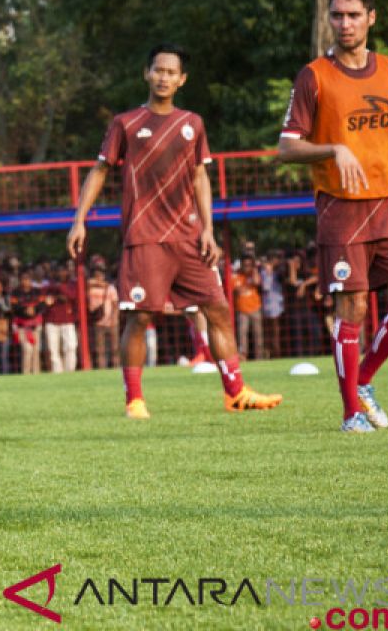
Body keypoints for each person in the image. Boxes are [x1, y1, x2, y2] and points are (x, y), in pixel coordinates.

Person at [68, 43, 282, 418]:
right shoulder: (126, 123)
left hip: (189, 237)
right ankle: (134, 399)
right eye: (158, 70)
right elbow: (100, 170)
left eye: (171, 72)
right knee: (141, 316)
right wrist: (79, 220)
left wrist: (209, 229)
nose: (163, 77)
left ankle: (236, 392)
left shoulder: (192, 124)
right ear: (146, 74)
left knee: (217, 310)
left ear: (182, 80)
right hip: (145, 238)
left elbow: (200, 176)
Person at [278, 0, 388, 432]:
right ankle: (351, 413)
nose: (344, 23)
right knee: (351, 310)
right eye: (337, 15)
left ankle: (364, 380)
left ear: (372, 18)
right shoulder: (315, 76)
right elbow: (287, 147)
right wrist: (332, 149)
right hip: (342, 209)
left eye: (353, 15)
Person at [42, 262, 79, 373]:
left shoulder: (72, 284)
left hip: (68, 320)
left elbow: (72, 296)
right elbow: (44, 298)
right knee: (53, 350)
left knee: (71, 346)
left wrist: (60, 289)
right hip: (52, 320)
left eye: (63, 271)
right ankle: (57, 372)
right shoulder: (49, 285)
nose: (61, 273)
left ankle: (70, 370)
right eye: (59, 271)